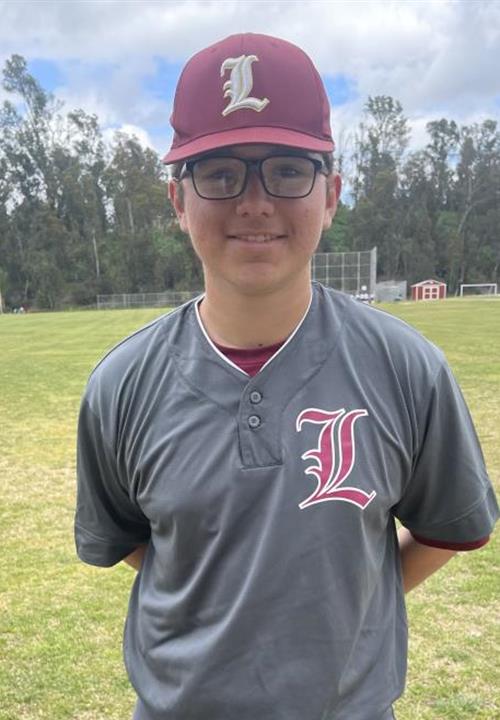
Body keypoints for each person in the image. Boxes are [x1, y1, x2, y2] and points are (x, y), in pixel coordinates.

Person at [75, 33, 498, 720]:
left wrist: (351, 604)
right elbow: (127, 539)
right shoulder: (121, 385)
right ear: (178, 200)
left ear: (331, 195)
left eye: (288, 170)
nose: (254, 201)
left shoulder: (407, 366)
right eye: (219, 173)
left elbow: (450, 527)